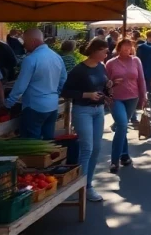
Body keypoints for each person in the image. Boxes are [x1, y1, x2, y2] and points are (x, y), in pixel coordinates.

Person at [61, 38, 110, 202]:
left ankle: (87, 183)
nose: (106, 53)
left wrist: (108, 87)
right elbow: (65, 91)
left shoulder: (101, 67)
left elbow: (101, 86)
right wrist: (86, 95)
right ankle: (83, 187)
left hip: (99, 110)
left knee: (96, 148)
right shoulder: (79, 70)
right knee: (87, 148)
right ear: (95, 51)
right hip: (83, 110)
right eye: (104, 50)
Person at [6, 29, 67, 140]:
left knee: (31, 144)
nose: (23, 44)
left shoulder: (30, 59)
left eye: (25, 41)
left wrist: (8, 103)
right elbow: (63, 79)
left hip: (34, 106)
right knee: (48, 143)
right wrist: (54, 94)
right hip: (52, 105)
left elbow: (20, 86)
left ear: (33, 41)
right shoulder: (57, 57)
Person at [105, 38, 146, 173]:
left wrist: (143, 96)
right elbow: (105, 82)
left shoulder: (136, 60)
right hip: (116, 98)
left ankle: (125, 155)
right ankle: (114, 161)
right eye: (124, 48)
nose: (127, 50)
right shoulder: (111, 63)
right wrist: (112, 82)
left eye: (129, 47)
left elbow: (141, 79)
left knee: (122, 127)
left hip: (132, 97)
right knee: (122, 125)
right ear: (119, 48)